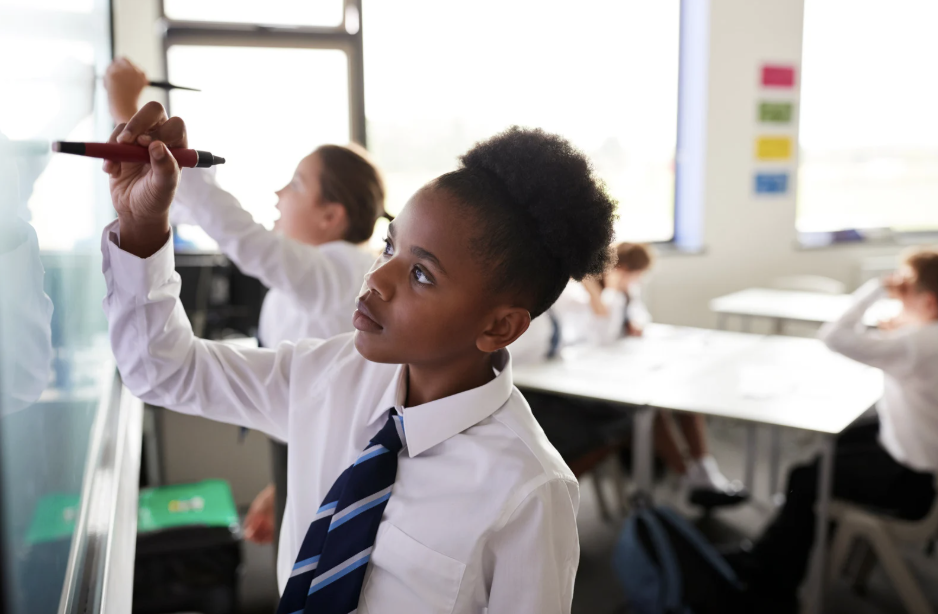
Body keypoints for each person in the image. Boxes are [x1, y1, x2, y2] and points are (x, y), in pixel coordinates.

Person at [100, 102, 617, 612]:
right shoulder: (330, 374)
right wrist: (142, 226)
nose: (376, 279)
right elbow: (161, 371)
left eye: (421, 274)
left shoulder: (527, 490)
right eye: (390, 248)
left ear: (499, 326)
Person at [104, 58, 387, 548]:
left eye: (296, 183)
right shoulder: (306, 282)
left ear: (331, 215)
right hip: (309, 439)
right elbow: (311, 401)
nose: (279, 192)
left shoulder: (343, 269)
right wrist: (281, 484)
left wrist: (129, 112)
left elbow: (243, 238)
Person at [743, 249, 938, 609]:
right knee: (837, 444)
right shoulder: (925, 337)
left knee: (806, 476)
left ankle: (772, 583)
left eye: (904, 285)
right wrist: (906, 325)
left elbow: (833, 335)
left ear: (927, 301)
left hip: (910, 481)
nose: (897, 291)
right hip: (920, 463)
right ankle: (777, 550)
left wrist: (877, 288)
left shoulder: (917, 345)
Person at [578, 243, 742, 503]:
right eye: (635, 274)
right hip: (598, 382)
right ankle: (689, 477)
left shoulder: (628, 288)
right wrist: (613, 292)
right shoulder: (591, 290)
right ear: (620, 268)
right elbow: (602, 336)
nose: (638, 281)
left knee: (685, 403)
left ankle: (705, 471)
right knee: (654, 411)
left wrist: (636, 320)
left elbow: (641, 316)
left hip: (626, 368)